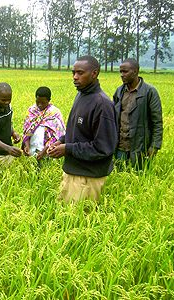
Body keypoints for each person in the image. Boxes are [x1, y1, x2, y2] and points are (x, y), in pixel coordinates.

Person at [48, 56, 117, 205]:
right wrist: (62, 141)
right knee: (64, 218)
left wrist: (68, 149)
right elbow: (79, 132)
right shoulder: (81, 95)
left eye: (80, 73)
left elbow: (103, 148)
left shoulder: (102, 104)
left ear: (94, 73)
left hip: (87, 178)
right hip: (72, 172)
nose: (75, 77)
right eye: (73, 72)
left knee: (79, 223)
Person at [113, 58, 163, 169]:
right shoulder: (119, 91)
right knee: (120, 177)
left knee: (138, 178)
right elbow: (112, 118)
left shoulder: (149, 92)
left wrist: (154, 146)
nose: (122, 75)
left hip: (140, 147)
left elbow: (157, 122)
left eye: (125, 72)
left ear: (135, 71)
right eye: (121, 72)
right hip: (120, 146)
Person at [22, 86, 65, 161]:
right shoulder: (31, 111)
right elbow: (28, 132)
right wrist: (27, 146)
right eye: (37, 102)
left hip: (48, 153)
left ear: (49, 100)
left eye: (43, 102)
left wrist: (44, 151)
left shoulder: (54, 113)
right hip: (32, 151)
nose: (40, 105)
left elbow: (57, 136)